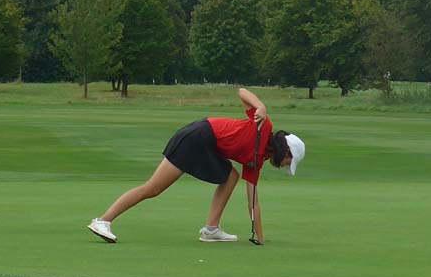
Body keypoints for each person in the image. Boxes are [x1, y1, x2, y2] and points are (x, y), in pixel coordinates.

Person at [87, 88, 304, 245]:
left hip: (206, 146)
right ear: (286, 151)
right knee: (153, 189)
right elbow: (241, 92)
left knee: (230, 176)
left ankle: (211, 230)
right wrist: (260, 106)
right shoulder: (264, 125)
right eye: (289, 161)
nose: (285, 166)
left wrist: (260, 238)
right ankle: (103, 221)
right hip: (197, 137)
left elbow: (253, 202)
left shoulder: (258, 160)